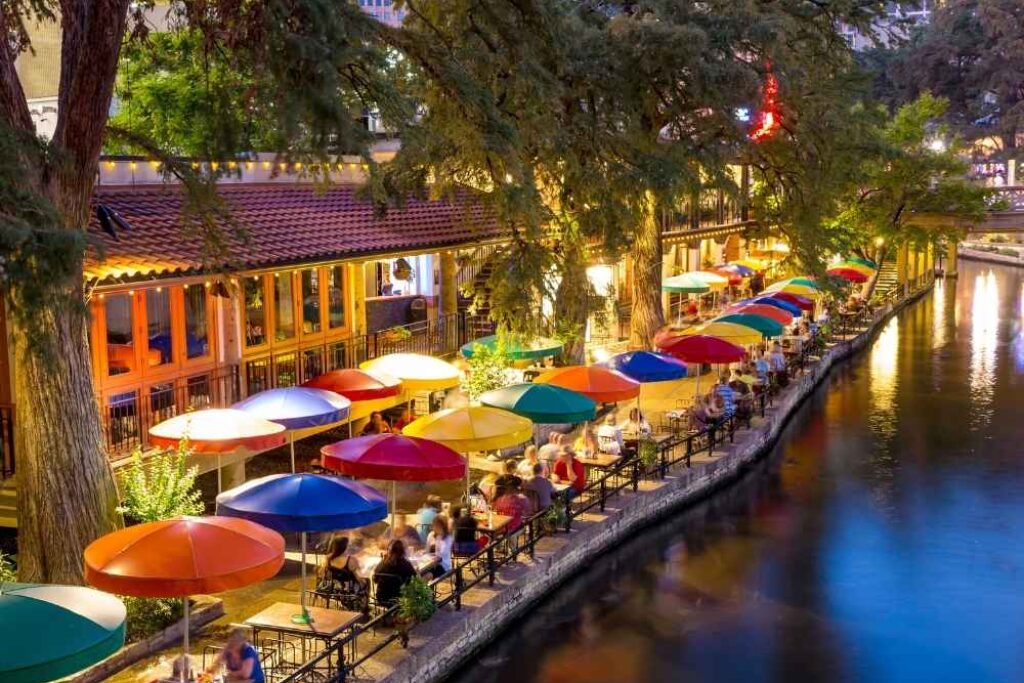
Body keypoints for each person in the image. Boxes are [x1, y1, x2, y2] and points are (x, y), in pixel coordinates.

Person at [373, 540, 417, 606]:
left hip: (381, 598)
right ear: (402, 552)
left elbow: (375, 580)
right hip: (398, 599)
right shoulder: (405, 564)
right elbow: (414, 579)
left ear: (388, 551)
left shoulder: (382, 563)